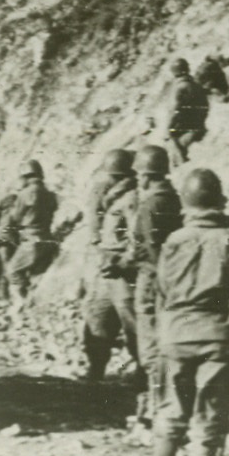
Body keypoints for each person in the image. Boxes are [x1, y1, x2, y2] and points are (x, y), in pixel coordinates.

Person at [152, 168, 229, 456]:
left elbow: (161, 291)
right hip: (215, 336)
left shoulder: (173, 241)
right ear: (218, 200)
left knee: (171, 413)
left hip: (175, 334)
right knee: (209, 417)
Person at [125, 145, 184, 422]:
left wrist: (128, 263)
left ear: (146, 176)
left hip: (151, 279)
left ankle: (154, 405)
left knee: (149, 346)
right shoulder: (173, 199)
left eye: (139, 176)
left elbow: (150, 247)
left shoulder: (150, 204)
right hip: (170, 278)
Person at [83, 149, 140, 380]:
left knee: (132, 324)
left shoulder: (133, 199)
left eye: (110, 176)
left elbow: (139, 238)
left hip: (124, 272)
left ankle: (144, 375)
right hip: (106, 269)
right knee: (97, 319)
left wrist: (124, 261)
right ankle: (95, 371)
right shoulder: (111, 197)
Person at [2, 159, 59, 301]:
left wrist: (12, 238)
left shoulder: (25, 194)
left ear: (25, 177)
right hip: (48, 240)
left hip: (32, 242)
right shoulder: (50, 194)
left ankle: (25, 303)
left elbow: (13, 219)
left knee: (12, 271)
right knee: (37, 275)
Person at [167, 58, 209, 166]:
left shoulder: (180, 87)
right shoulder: (196, 85)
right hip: (199, 124)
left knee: (171, 141)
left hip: (186, 128)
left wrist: (168, 127)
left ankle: (180, 162)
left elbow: (174, 110)